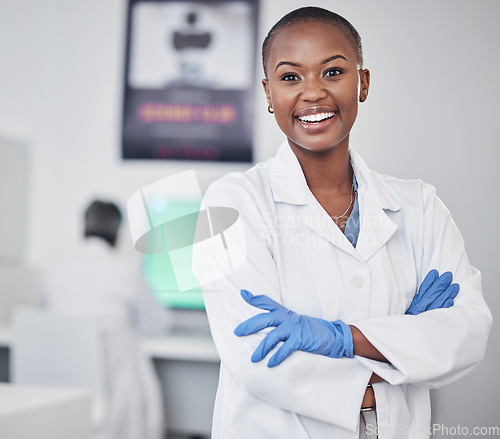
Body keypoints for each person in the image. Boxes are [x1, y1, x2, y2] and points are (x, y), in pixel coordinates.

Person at [192, 7, 492, 439]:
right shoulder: (231, 203)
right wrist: (404, 350)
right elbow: (257, 357)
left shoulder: (419, 206)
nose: (312, 93)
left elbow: (467, 334)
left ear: (362, 83)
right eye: (290, 77)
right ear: (268, 92)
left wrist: (344, 338)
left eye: (332, 72)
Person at [42, 200, 166, 439]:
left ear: (83, 229)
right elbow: (156, 324)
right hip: (114, 406)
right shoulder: (126, 272)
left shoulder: (54, 272)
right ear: (117, 234)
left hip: (61, 402)